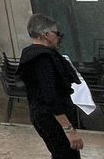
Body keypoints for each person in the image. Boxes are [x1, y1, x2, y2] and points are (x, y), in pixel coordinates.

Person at [18, 14, 84, 158]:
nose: (59, 37)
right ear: (46, 35)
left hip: (43, 114)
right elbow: (50, 96)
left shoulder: (31, 53)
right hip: (50, 117)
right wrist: (68, 129)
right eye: (57, 33)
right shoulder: (42, 59)